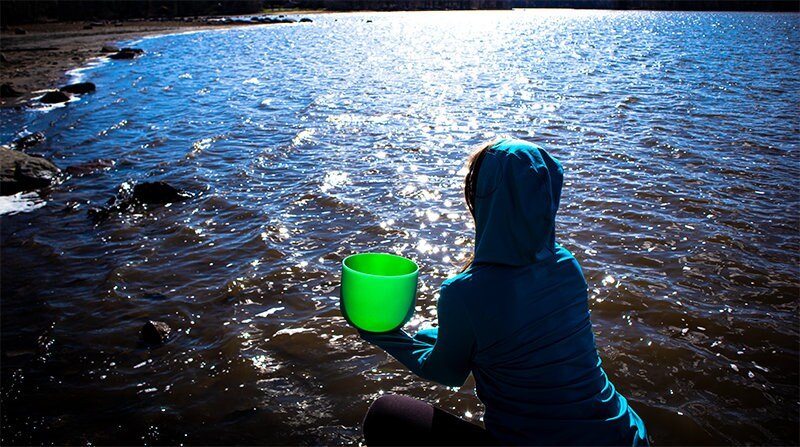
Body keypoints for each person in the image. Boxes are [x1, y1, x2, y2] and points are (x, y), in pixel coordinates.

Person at [356, 138, 649, 446]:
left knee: (386, 414)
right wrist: (438, 334)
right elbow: (512, 336)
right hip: (625, 435)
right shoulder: (565, 264)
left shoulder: (464, 293)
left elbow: (446, 372)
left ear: (482, 197)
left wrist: (382, 333)